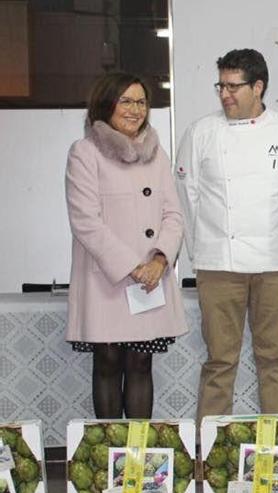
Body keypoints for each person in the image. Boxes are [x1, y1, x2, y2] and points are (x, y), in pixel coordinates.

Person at [175, 49, 278, 420]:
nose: (224, 95)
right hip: (218, 263)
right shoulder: (200, 132)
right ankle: (211, 447)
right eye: (221, 85)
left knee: (273, 359)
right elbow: (187, 196)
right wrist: (200, 251)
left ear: (258, 87)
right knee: (220, 361)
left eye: (233, 87)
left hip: (276, 263)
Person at [65, 72, 187, 419]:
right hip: (107, 279)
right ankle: (108, 457)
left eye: (141, 102)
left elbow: (173, 214)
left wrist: (161, 260)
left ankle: (140, 456)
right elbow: (85, 221)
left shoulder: (156, 152)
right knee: (107, 362)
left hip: (150, 278)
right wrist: (133, 268)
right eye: (126, 101)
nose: (136, 110)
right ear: (106, 105)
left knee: (140, 363)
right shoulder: (85, 153)